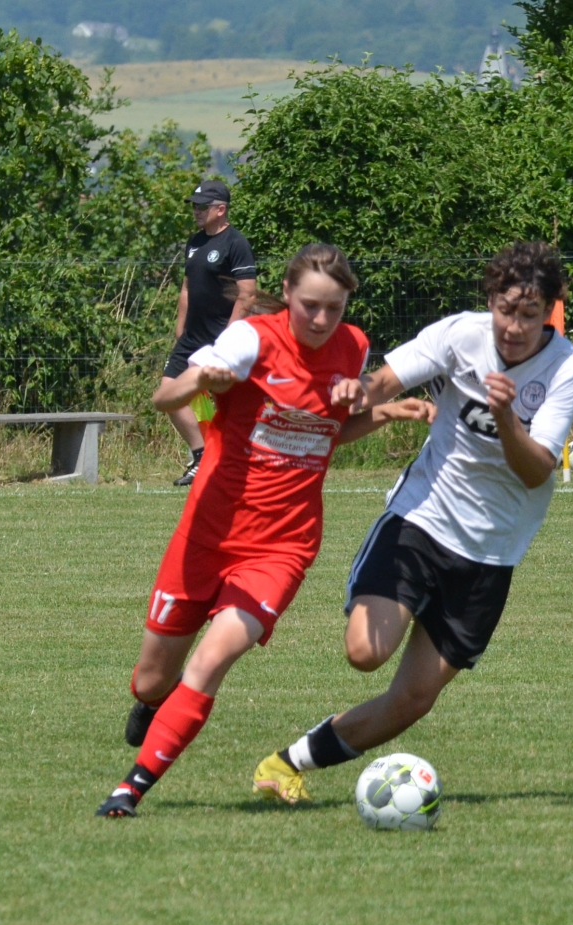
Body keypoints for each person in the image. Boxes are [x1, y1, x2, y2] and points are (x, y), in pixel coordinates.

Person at [248, 241, 573, 804]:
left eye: (530, 314)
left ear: (550, 311)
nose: (514, 326)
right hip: (421, 521)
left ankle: (287, 763)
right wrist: (357, 391)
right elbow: (385, 381)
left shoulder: (567, 368)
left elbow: (536, 471)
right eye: (506, 310)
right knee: (365, 653)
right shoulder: (460, 335)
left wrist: (506, 417)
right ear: (490, 301)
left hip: (493, 552)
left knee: (413, 700)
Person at [99, 244, 432, 818]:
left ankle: (129, 791)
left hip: (283, 546)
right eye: (310, 307)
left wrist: (381, 412)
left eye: (334, 308)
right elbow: (164, 397)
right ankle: (154, 703)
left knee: (212, 659)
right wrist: (203, 378)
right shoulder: (250, 340)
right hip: (207, 534)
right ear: (288, 293)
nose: (322, 320)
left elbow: (321, 432)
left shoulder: (353, 347)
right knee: (152, 680)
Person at [161, 177, 259, 487]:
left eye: (202, 207)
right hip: (191, 338)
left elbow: (247, 295)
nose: (196, 211)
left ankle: (242, 463)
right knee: (168, 395)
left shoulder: (236, 243)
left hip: (221, 339)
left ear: (221, 209)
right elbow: (187, 287)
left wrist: (228, 340)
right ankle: (201, 456)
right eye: (194, 206)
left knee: (230, 407)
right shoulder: (194, 242)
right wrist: (180, 327)